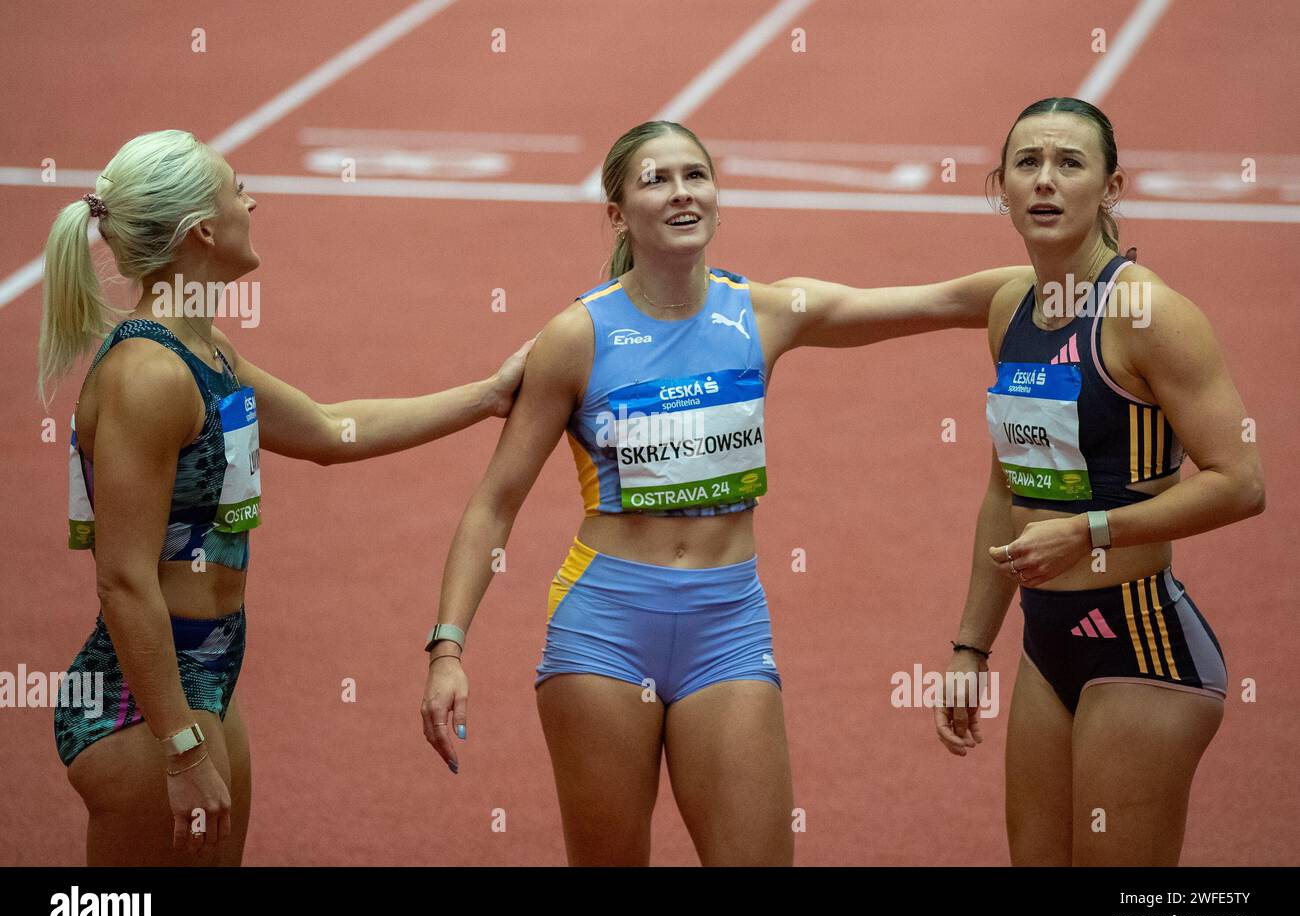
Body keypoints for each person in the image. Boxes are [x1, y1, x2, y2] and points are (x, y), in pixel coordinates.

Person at [420, 119, 1030, 866]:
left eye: (695, 176)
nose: (681, 193)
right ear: (618, 215)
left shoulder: (765, 312)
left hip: (728, 626)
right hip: (604, 626)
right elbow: (494, 502)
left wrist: (1084, 280)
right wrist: (448, 646)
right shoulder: (577, 337)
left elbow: (942, 302)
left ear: (717, 197)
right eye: (656, 180)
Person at [39, 129, 532, 866]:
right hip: (140, 703)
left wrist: (489, 396)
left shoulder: (207, 352)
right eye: (238, 189)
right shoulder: (149, 376)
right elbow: (123, 577)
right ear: (204, 229)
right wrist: (178, 750)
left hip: (205, 673)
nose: (253, 200)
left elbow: (334, 429)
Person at [933, 97, 1265, 866]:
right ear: (1001, 188)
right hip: (1048, 646)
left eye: (1069, 164)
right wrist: (969, 648)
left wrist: (1091, 530)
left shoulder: (1149, 314)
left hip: (1142, 647)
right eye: (1028, 164)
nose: (1045, 181)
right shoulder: (1012, 307)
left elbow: (1241, 482)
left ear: (1111, 188)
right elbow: (1004, 494)